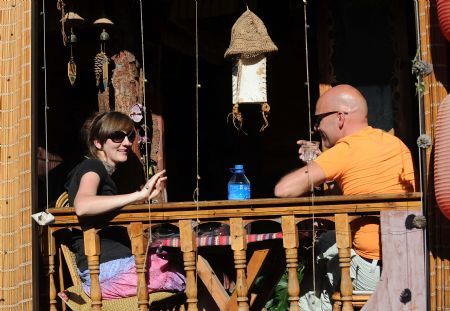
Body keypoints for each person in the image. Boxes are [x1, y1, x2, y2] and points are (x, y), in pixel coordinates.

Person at [275, 84, 415, 310]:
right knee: (328, 241)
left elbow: (284, 190)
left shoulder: (346, 149)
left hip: (371, 272)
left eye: (318, 119)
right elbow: (351, 191)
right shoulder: (395, 144)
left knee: (323, 246)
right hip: (407, 262)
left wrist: (320, 164)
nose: (316, 127)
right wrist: (326, 166)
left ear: (339, 118)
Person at [65, 111, 185, 299]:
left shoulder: (103, 172)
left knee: (181, 264)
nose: (127, 143)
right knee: (185, 267)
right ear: (98, 142)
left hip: (111, 265)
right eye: (117, 136)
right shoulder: (93, 167)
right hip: (105, 267)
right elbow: (83, 205)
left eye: (130, 136)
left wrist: (140, 199)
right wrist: (137, 195)